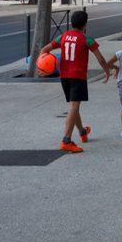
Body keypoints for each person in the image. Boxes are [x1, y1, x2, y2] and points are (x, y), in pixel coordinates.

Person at [40, 10, 111, 152]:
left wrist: (43, 65)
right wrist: (107, 71)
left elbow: (44, 50)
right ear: (85, 24)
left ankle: (82, 132)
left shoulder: (63, 37)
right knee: (74, 106)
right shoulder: (87, 39)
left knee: (74, 104)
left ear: (71, 23)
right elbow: (101, 59)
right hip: (77, 76)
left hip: (64, 76)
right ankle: (66, 140)